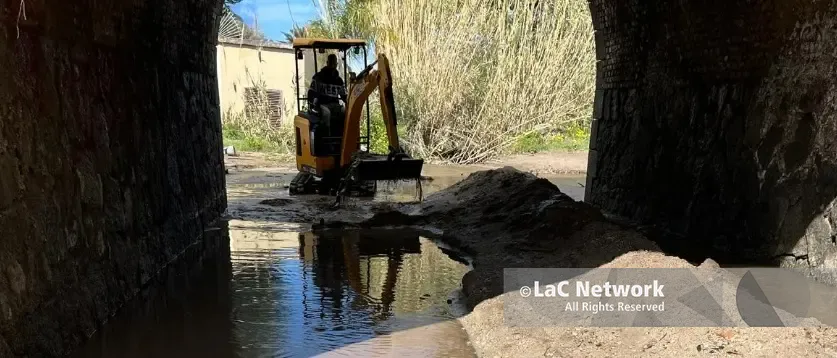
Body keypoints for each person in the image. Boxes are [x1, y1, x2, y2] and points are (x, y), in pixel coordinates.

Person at [307, 54, 347, 133]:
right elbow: (311, 93)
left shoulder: (339, 80)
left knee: (344, 112)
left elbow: (344, 96)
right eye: (331, 63)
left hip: (335, 105)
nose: (332, 65)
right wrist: (313, 105)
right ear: (327, 62)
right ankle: (327, 139)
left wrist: (348, 103)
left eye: (334, 63)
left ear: (336, 64)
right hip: (322, 104)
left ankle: (341, 138)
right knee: (326, 113)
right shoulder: (318, 77)